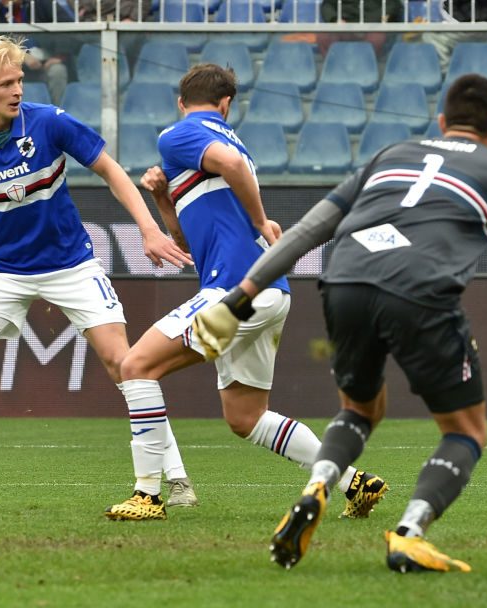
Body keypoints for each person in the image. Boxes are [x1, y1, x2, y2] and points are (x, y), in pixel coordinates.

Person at [192, 74, 487, 572]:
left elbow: (308, 231)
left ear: (442, 122)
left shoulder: (391, 154)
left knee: (360, 410)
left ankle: (319, 485)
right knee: (466, 430)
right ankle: (408, 532)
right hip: (420, 290)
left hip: (344, 279)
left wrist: (240, 299)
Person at [101, 63, 390, 522]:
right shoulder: (231, 149)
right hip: (268, 294)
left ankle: (147, 495)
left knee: (135, 365)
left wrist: (260, 221)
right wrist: (161, 199)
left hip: (236, 292)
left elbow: (236, 179)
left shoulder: (179, 135)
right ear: (227, 104)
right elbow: (190, 244)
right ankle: (354, 480)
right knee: (246, 417)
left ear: (183, 102)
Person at [0, 36, 193, 508]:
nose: (18, 89)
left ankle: (177, 478)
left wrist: (148, 228)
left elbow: (111, 169)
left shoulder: (49, 122)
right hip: (2, 273)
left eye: (21, 79)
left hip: (72, 265)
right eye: (7, 82)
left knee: (126, 364)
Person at [0, 0, 73, 104]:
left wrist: (58, 56)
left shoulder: (42, 4)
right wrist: (21, 55)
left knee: (57, 71)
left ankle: (57, 113)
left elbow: (69, 28)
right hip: (16, 69)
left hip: (46, 64)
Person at [421, 0, 487, 71]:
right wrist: (465, 24)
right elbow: (446, 5)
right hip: (462, 28)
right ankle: (447, 82)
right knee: (431, 36)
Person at [316, 0, 404, 58]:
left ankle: (366, 69)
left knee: (377, 37)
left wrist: (367, 22)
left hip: (372, 25)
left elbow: (393, 5)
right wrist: (335, 19)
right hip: (344, 25)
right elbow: (327, 5)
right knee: (323, 35)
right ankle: (334, 68)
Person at [78, 0, 149, 22]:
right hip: (91, 20)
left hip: (124, 19)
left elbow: (143, 3)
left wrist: (133, 19)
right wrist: (84, 7)